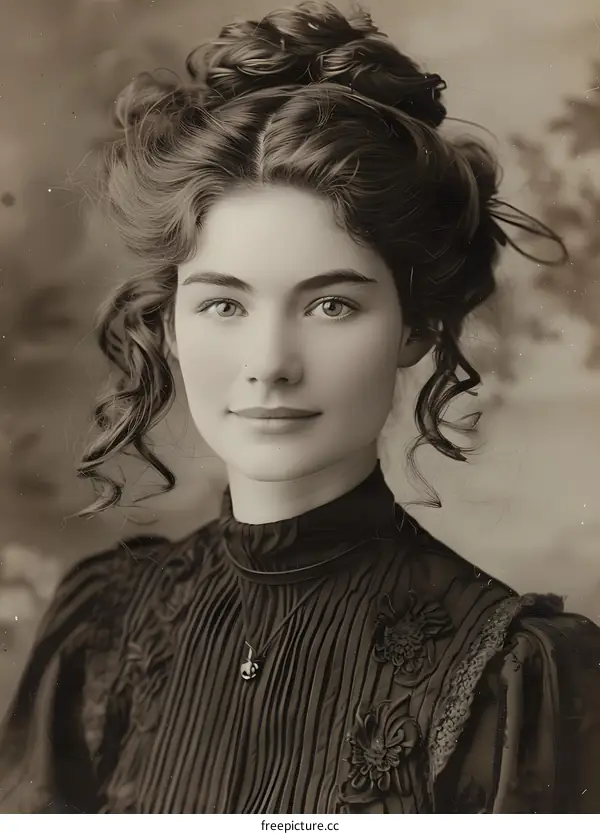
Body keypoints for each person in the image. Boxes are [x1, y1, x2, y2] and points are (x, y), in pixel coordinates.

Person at [0, 0, 598, 815]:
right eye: (223, 305)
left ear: (416, 329)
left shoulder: (514, 678)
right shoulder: (100, 626)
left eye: (330, 306)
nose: (269, 366)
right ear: (169, 327)